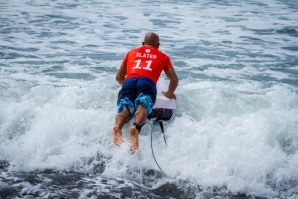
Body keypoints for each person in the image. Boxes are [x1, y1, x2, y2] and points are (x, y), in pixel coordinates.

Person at [113, 32, 178, 154]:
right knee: (142, 107)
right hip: (147, 83)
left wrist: (125, 87)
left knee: (125, 108)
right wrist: (169, 93)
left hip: (129, 82)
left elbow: (119, 76)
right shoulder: (163, 56)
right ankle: (136, 129)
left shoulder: (131, 52)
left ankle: (118, 128)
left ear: (143, 44)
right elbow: (174, 79)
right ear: (158, 45)